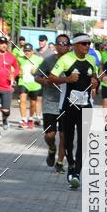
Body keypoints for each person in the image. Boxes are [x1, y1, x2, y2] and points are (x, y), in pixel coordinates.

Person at [50, 33, 98, 189]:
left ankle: (76, 173)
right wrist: (67, 79)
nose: (87, 46)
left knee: (83, 141)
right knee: (68, 140)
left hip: (86, 106)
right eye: (84, 44)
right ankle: (70, 164)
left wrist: (95, 82)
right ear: (76, 45)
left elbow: (95, 79)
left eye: (89, 44)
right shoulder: (65, 59)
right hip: (69, 106)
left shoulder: (91, 60)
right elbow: (51, 78)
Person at [34, 34, 70, 170]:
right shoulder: (48, 61)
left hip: (66, 103)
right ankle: (51, 148)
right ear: (55, 45)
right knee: (50, 135)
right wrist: (46, 81)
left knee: (63, 134)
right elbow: (37, 77)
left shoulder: (72, 62)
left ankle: (60, 162)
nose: (62, 46)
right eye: (60, 43)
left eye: (65, 44)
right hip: (50, 102)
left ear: (69, 47)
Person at [16, 43, 42, 128]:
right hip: (23, 82)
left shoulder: (39, 59)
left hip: (35, 84)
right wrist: (18, 72)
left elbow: (44, 69)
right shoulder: (20, 58)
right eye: (25, 51)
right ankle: (23, 119)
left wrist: (37, 71)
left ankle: (30, 118)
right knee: (22, 99)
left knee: (33, 104)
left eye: (29, 51)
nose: (27, 52)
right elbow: (14, 67)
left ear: (32, 51)